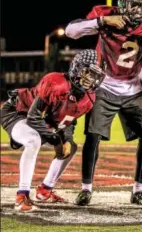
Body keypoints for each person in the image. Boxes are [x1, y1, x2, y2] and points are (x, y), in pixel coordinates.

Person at [65, 0, 142, 206]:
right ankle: (86, 189)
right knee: (94, 135)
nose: (138, 11)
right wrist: (101, 22)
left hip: (133, 89)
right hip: (104, 86)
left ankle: (139, 190)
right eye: (133, 5)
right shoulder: (107, 15)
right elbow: (71, 31)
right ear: (122, 5)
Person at [0, 49, 105, 212]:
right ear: (76, 68)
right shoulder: (55, 82)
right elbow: (33, 116)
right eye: (87, 72)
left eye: (94, 75)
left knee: (71, 146)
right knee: (33, 140)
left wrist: (65, 140)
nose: (89, 79)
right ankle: (22, 196)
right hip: (17, 111)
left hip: (40, 119)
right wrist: (56, 141)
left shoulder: (89, 98)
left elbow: (69, 121)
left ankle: (45, 190)